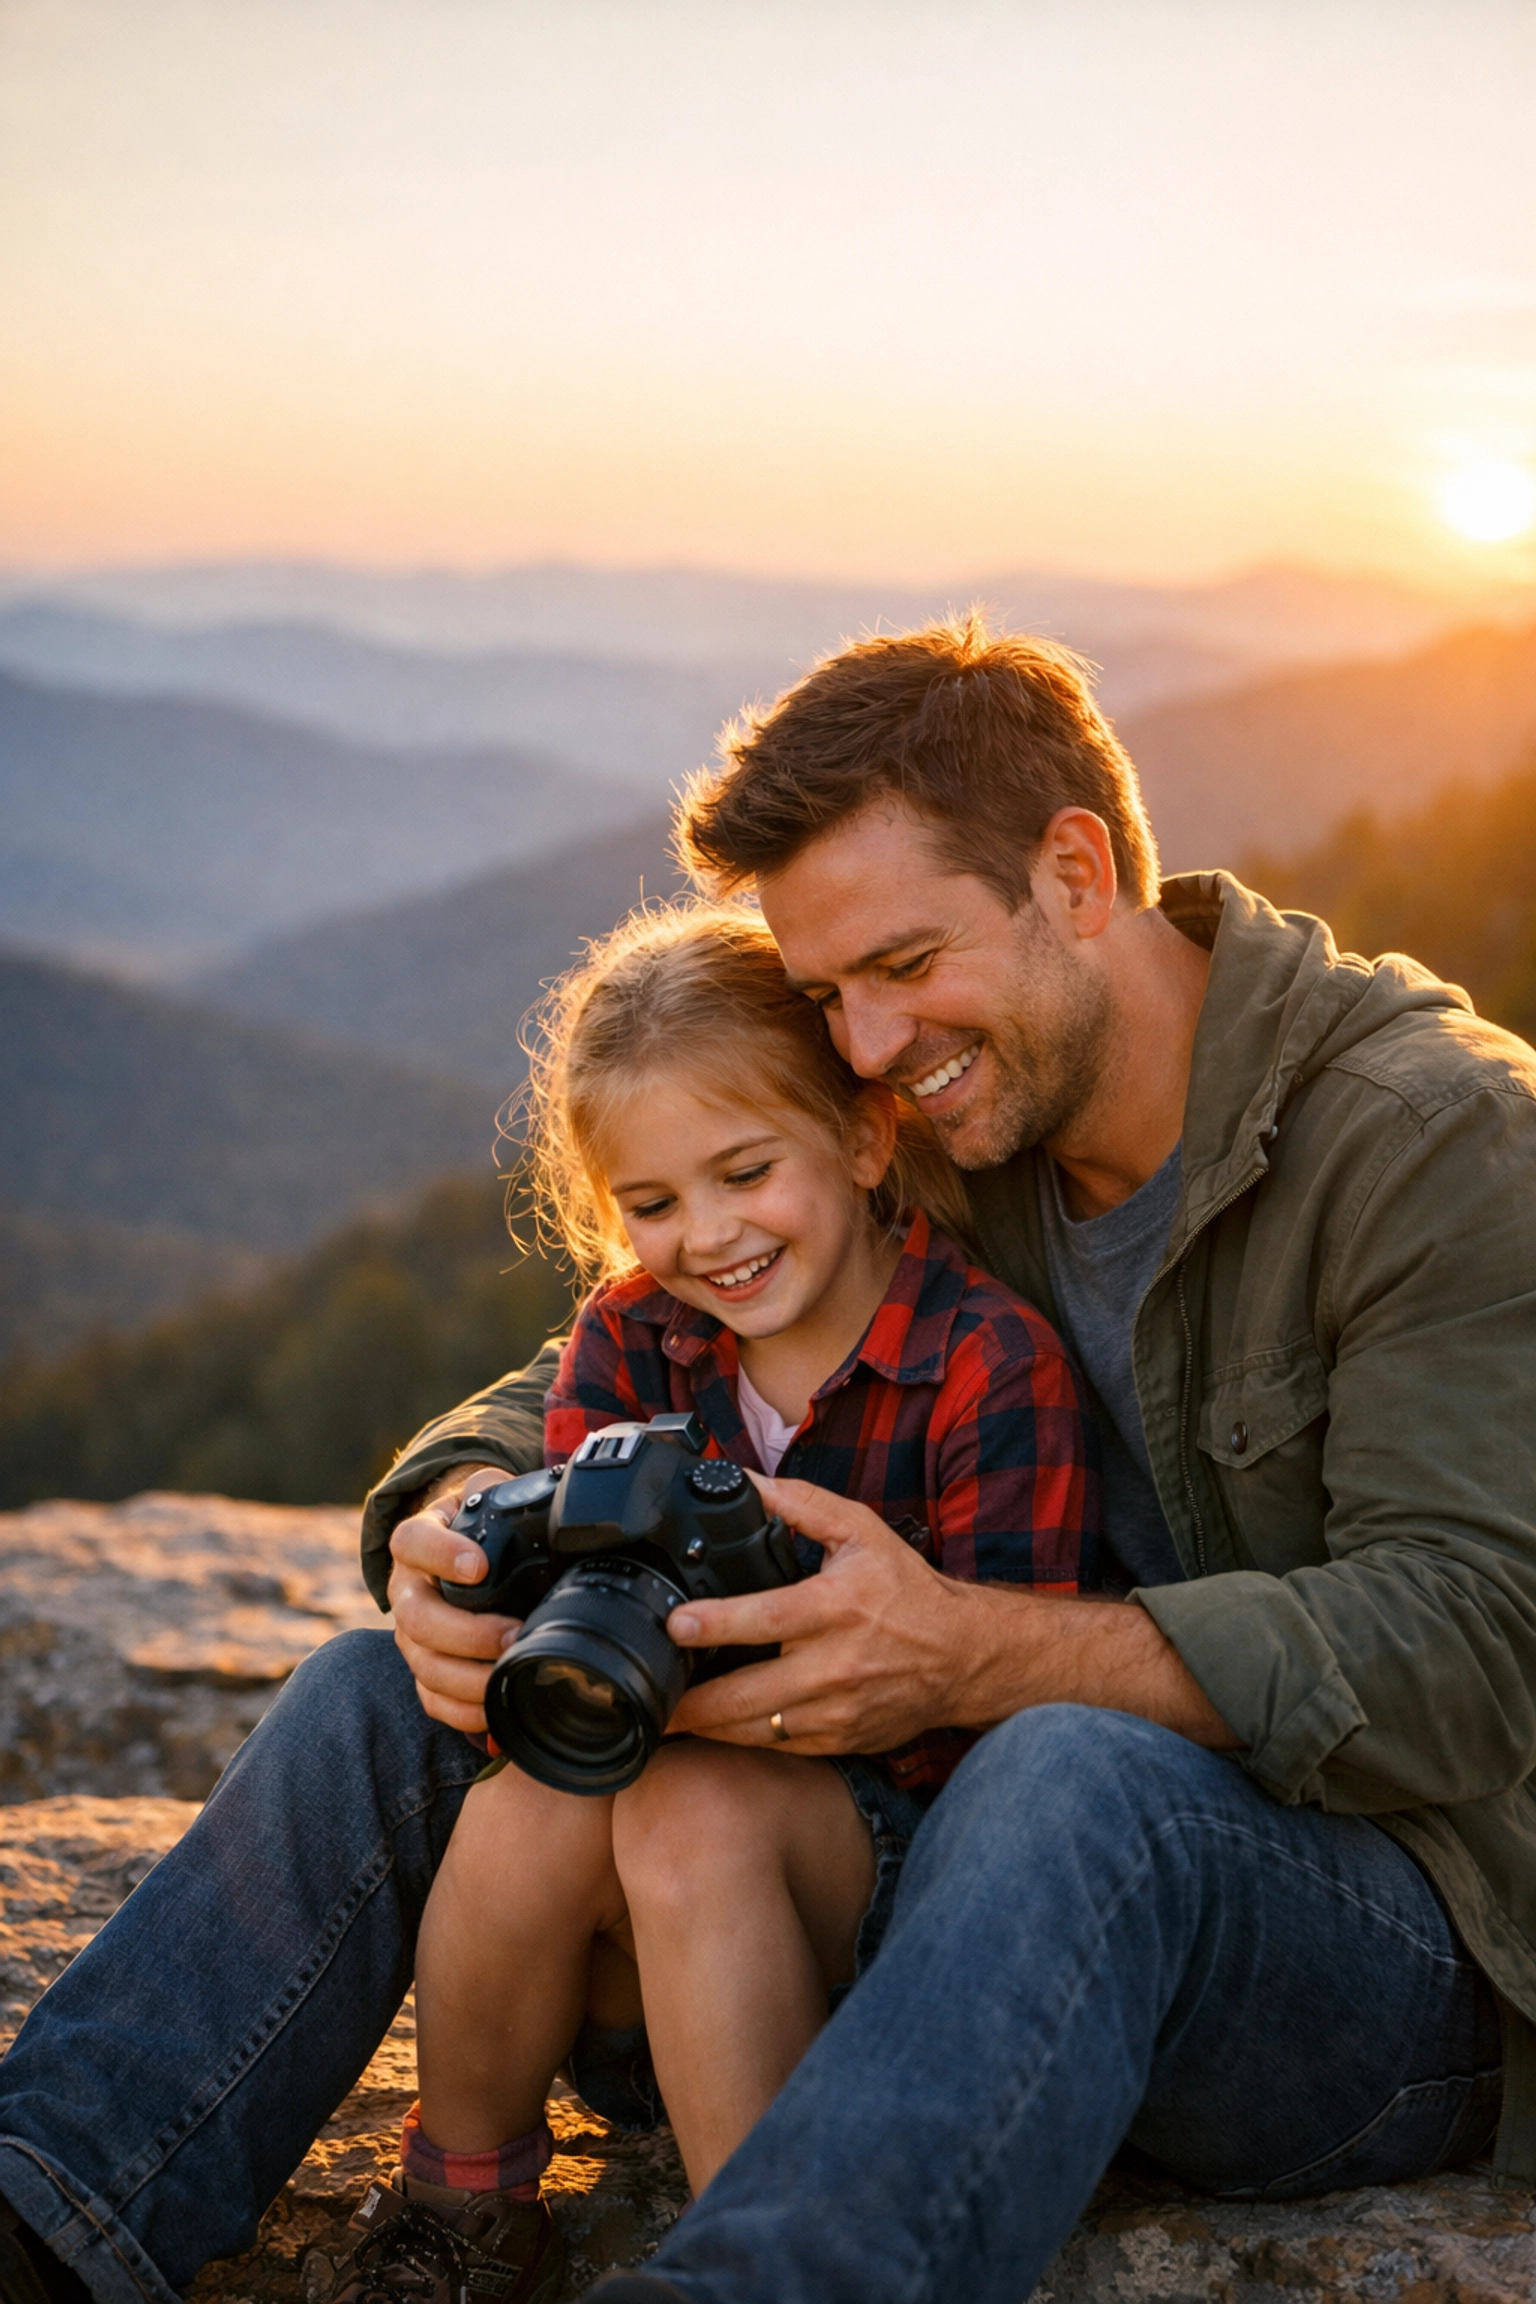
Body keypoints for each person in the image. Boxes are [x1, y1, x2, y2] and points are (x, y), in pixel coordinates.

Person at [3, 614, 1535, 2304]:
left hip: (1352, 1962)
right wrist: (455, 1514)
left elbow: (1478, 1642)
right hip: (892, 1900)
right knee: (389, 1698)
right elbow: (646, 1334)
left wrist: (986, 1651)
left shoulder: (1431, 1146)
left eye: (902, 966)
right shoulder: (969, 1112)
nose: (865, 1049)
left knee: (1071, 1767)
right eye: (825, 996)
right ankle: (55, 2198)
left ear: (1077, 872)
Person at [347, 903, 1093, 2304]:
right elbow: (575, 1621)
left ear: (867, 1140)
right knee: (529, 1805)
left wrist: (758, 1698)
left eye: (747, 1172)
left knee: (690, 1808)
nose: (710, 1237)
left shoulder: (987, 1366)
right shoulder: (630, 1337)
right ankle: (464, 2216)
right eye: (653, 1204)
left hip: (881, 1904)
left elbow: (1011, 1736)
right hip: (628, 1945)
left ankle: (770, 2264)